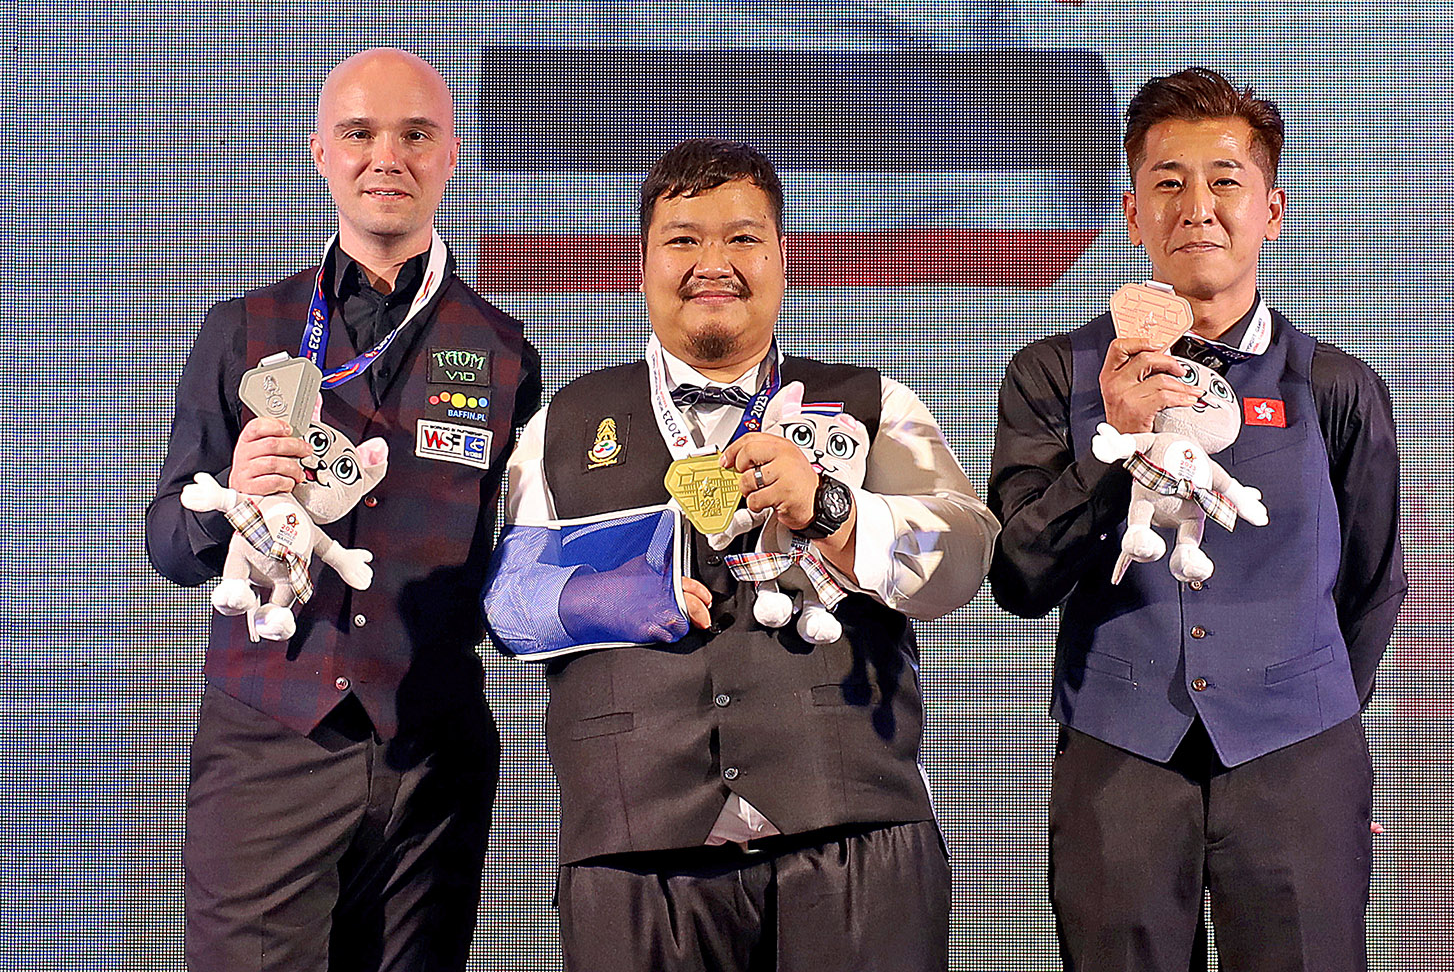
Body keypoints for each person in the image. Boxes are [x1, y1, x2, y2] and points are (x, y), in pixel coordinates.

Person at [490, 138, 998, 971]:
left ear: (783, 257)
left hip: (854, 841)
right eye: (683, 239)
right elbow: (507, 601)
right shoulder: (567, 421)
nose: (712, 262)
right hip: (635, 853)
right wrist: (597, 598)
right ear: (643, 262)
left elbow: (968, 551)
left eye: (741, 238)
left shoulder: (871, 405)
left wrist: (832, 509)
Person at [987, 66, 1406, 971]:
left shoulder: (1335, 385)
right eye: (1168, 183)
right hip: (1118, 756)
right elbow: (1019, 577)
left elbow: (1372, 584)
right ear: (1133, 215)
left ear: (1272, 209)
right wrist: (1117, 442)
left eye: (1225, 181)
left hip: (1299, 761)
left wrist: (1302, 707)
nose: (1198, 207)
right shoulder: (1055, 375)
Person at [146, 48, 542, 971]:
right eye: (360, 134)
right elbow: (171, 540)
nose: (386, 157)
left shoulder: (502, 350)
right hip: (267, 747)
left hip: (430, 760)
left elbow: (514, 561)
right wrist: (229, 500)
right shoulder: (242, 328)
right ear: (319, 152)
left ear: (450, 156)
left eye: (416, 136)